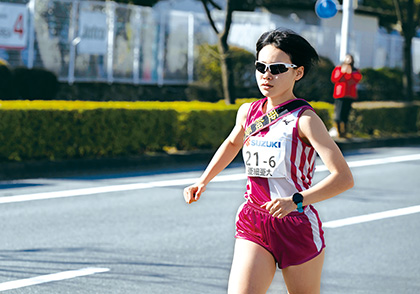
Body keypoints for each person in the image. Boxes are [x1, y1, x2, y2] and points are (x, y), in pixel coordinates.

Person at [183, 29, 354, 294]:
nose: (266, 74)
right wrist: (203, 180)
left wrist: (296, 201)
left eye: (276, 68)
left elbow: (343, 178)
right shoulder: (248, 112)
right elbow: (231, 144)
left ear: (297, 72)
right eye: (261, 66)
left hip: (296, 225)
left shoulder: (305, 120)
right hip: (254, 219)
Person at [330, 54, 362, 138]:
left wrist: (350, 73)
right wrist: (343, 72)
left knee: (346, 114)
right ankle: (338, 130)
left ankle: (344, 132)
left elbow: (355, 80)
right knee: (338, 114)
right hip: (340, 94)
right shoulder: (339, 68)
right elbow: (335, 79)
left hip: (350, 95)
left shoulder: (355, 70)